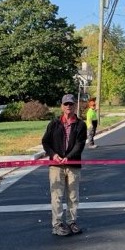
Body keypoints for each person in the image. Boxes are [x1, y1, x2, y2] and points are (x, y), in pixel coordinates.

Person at [41, 94, 87, 236]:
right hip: (56, 165)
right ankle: (57, 224)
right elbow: (45, 142)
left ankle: (72, 221)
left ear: (74, 106)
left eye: (71, 104)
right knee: (57, 196)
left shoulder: (80, 125)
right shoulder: (54, 124)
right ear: (62, 106)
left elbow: (80, 144)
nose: (68, 106)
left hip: (72, 164)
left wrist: (68, 157)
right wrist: (54, 155)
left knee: (73, 196)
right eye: (66, 104)